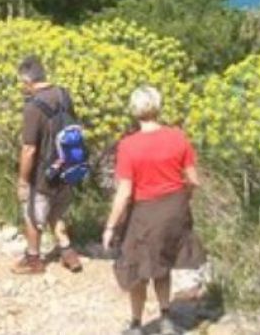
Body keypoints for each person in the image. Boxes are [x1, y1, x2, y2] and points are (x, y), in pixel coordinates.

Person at [102, 86, 205, 335]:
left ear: (134, 111)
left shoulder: (129, 146)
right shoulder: (178, 137)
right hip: (175, 209)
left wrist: (110, 226)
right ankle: (166, 317)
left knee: (136, 268)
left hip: (145, 213)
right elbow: (193, 180)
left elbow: (124, 193)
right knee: (162, 263)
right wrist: (183, 200)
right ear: (158, 107)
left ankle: (137, 324)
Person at [13, 55, 82, 274]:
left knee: (33, 215)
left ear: (27, 81)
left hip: (44, 172)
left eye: (21, 83)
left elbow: (29, 149)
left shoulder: (33, 107)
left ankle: (33, 260)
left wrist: (23, 181)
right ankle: (68, 253)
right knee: (57, 211)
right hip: (67, 164)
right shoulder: (63, 94)